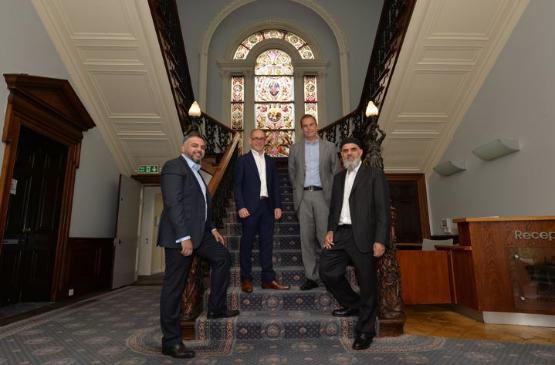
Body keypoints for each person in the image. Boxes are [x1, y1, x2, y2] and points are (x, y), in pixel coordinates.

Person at [158, 131, 239, 359]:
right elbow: (173, 203)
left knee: (222, 257)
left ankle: (216, 308)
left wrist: (212, 228)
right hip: (180, 236)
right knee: (174, 286)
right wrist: (183, 237)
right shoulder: (174, 166)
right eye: (195, 145)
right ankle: (171, 341)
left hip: (201, 234)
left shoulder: (196, 173)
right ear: (183, 147)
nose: (199, 150)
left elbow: (202, 205)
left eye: (202, 147)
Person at [319, 137, 390, 350]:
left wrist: (380, 239)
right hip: (340, 234)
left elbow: (382, 211)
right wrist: (330, 230)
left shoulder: (374, 175)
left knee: (367, 284)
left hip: (364, 236)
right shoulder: (339, 178)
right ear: (341, 155)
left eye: (353, 150)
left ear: (361, 152)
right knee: (327, 271)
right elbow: (334, 208)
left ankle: (365, 332)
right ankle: (354, 304)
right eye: (345, 151)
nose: (349, 153)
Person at [234, 128, 290, 293]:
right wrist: (241, 206)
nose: (258, 141)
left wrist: (278, 205)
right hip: (249, 208)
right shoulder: (243, 160)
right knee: (247, 243)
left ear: (265, 141)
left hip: (267, 207)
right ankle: (246, 279)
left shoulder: (271, 161)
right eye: (255, 138)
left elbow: (275, 186)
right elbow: (237, 186)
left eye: (261, 138)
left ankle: (268, 279)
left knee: (267, 244)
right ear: (251, 140)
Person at [288, 114, 340, 290]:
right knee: (306, 239)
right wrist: (297, 192)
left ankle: (330, 274)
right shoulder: (295, 148)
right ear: (301, 129)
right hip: (303, 197)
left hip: (322, 197)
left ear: (317, 126)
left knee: (325, 237)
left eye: (311, 125)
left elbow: (336, 173)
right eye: (305, 126)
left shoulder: (330, 147)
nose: (308, 128)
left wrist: (333, 197)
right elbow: (292, 173)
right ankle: (311, 276)